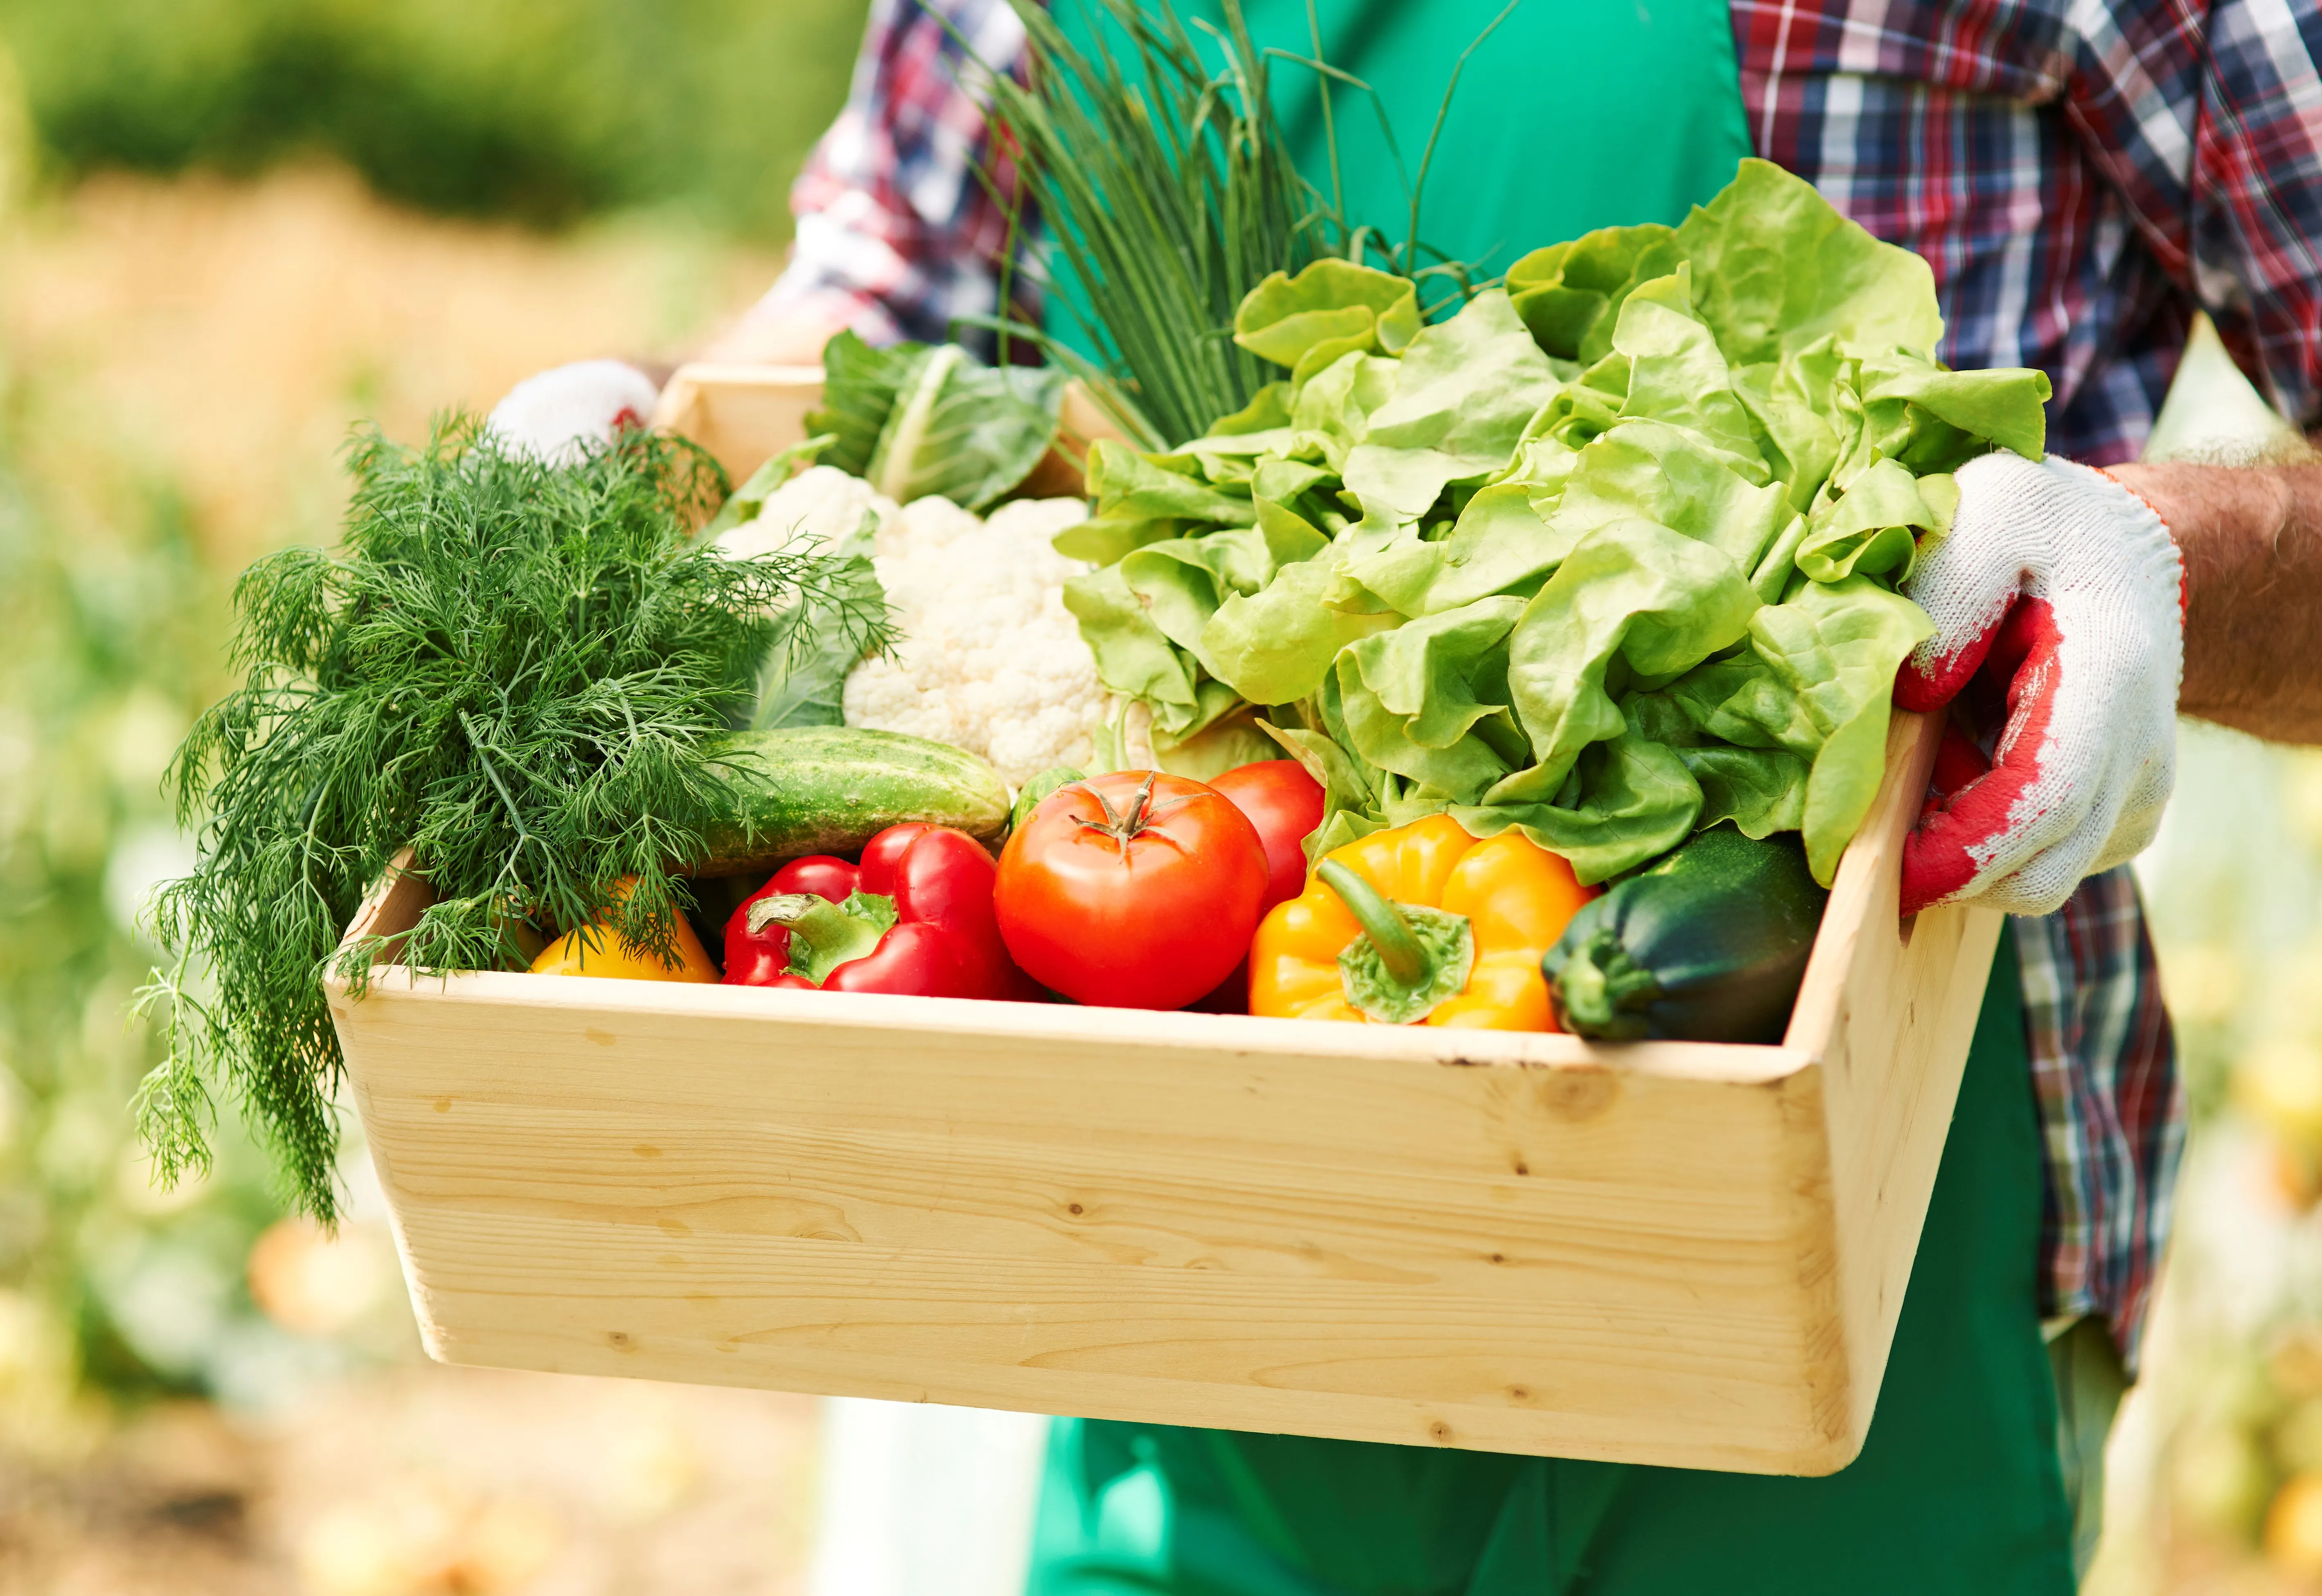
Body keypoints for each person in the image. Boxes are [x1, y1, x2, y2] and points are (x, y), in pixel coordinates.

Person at [506, 2, 2322, 1589]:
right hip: (1172, 1291)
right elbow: (882, 308)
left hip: (1861, 1259)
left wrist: (2176, 562)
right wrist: (647, 430)